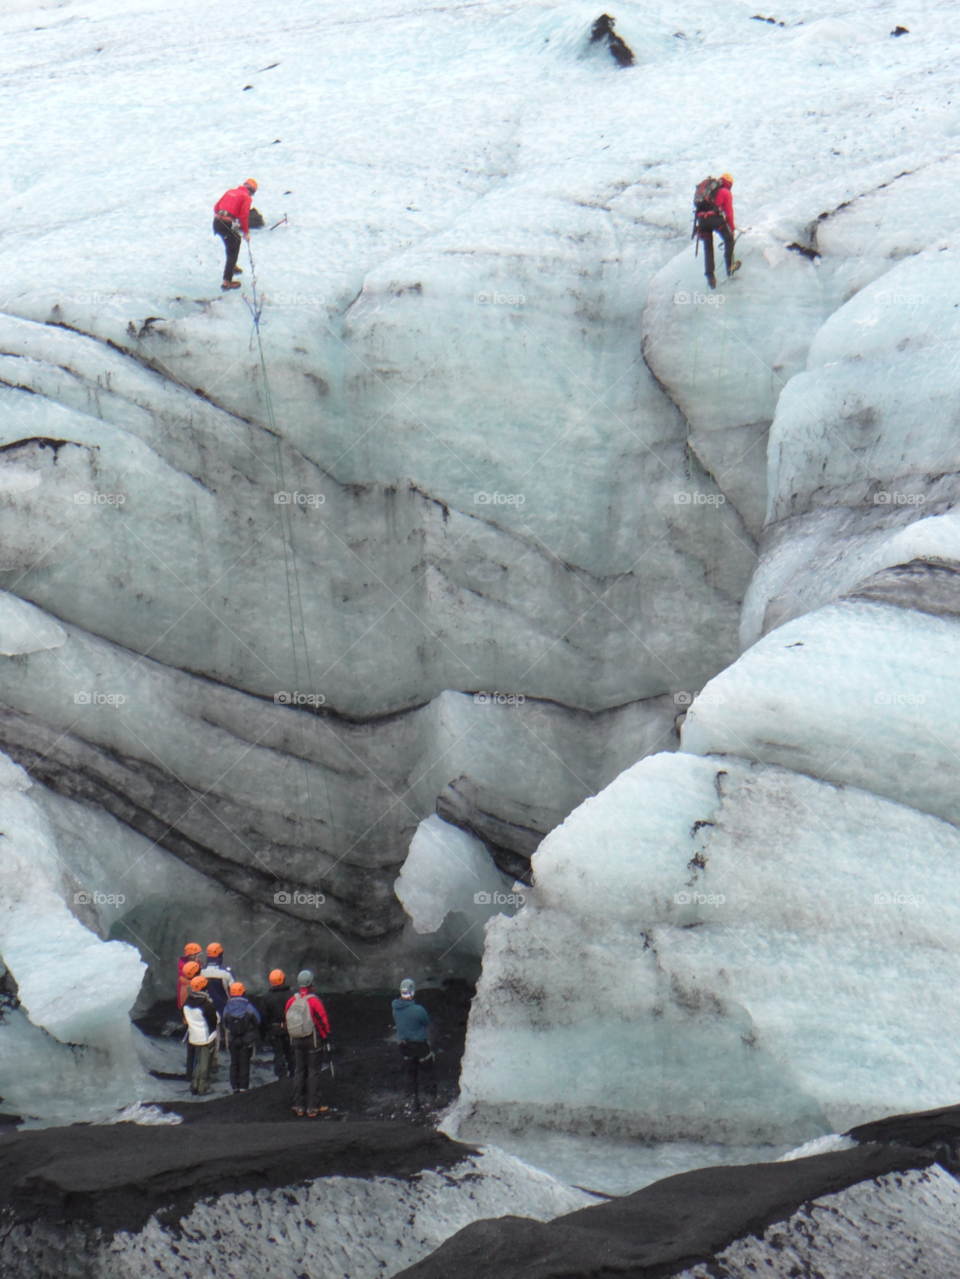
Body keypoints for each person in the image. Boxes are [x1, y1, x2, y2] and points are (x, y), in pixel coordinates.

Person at [285, 969, 330, 1118]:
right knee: (313, 1072)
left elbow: (288, 1019)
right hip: (313, 1041)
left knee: (299, 1071)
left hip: (296, 1040)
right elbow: (322, 1021)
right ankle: (313, 1107)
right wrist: (326, 1037)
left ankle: (298, 1106)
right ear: (311, 983)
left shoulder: (292, 1000)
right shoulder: (314, 1001)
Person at [392, 978, 435, 1109]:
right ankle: (431, 1100)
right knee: (428, 1071)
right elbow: (426, 1022)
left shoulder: (395, 1008)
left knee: (411, 1073)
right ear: (412, 993)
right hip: (420, 1045)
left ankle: (413, 1102)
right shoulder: (418, 1010)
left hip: (405, 1046)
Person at [694, 173, 738, 291]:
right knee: (729, 239)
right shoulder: (725, 192)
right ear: (729, 184)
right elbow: (729, 214)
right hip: (714, 219)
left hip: (701, 221)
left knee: (708, 247)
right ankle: (730, 267)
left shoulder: (708, 192)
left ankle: (710, 276)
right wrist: (731, 229)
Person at [213, 179, 258, 292]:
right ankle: (227, 282)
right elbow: (244, 216)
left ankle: (232, 266)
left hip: (217, 222)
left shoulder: (230, 191)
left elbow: (216, 207)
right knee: (234, 246)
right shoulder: (246, 197)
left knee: (235, 239)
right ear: (251, 191)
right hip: (226, 224)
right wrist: (246, 233)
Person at [183, 974, 220, 1095]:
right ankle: (202, 1087)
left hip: (194, 1036)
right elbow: (213, 1020)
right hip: (207, 1036)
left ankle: (194, 1084)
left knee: (199, 1061)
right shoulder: (206, 1005)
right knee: (205, 1063)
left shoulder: (187, 1002)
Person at [222, 982, 261, 1093]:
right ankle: (244, 1087)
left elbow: (225, 1022)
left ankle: (235, 1086)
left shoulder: (227, 1007)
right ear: (243, 991)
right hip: (246, 1040)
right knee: (244, 1063)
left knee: (234, 1062)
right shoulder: (248, 1007)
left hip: (232, 1040)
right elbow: (257, 1021)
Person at [263, 969, 295, 1080]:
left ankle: (282, 1076)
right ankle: (293, 1073)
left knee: (278, 1053)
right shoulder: (291, 994)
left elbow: (264, 1016)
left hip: (275, 1029)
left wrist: (263, 1032)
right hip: (290, 1027)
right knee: (290, 1051)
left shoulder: (267, 997)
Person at [178, 960, 202, 1076]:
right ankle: (193, 1073)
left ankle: (190, 1072)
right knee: (196, 1049)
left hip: (189, 1020)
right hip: (194, 1022)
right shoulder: (191, 989)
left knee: (192, 1049)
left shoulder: (185, 986)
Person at [178, 943, 202, 1007]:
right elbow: (183, 980)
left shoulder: (197, 964)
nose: (200, 958)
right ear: (191, 957)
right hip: (187, 998)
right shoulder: (185, 969)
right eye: (198, 956)